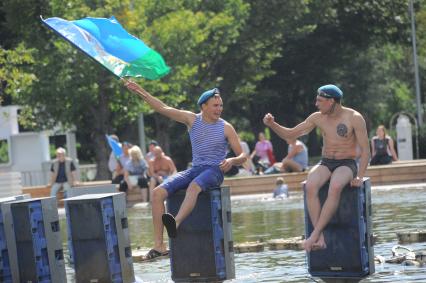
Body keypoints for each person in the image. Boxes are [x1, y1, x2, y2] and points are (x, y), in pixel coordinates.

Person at [124, 80, 246, 260]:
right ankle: (159, 245)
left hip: (214, 170)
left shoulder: (226, 127)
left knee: (194, 186)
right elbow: (162, 108)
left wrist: (232, 160)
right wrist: (140, 91)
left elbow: (243, 155)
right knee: (157, 193)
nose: (219, 109)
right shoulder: (191, 119)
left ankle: (176, 222)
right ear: (203, 106)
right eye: (215, 105)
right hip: (195, 168)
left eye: (221, 105)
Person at [263, 84, 370, 252]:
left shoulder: (354, 118)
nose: (316, 104)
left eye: (320, 100)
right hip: (326, 162)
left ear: (331, 101)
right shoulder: (317, 117)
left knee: (335, 187)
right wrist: (273, 124)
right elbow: (290, 134)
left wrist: (359, 176)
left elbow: (366, 150)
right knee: (310, 185)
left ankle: (315, 234)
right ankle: (319, 237)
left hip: (346, 163)